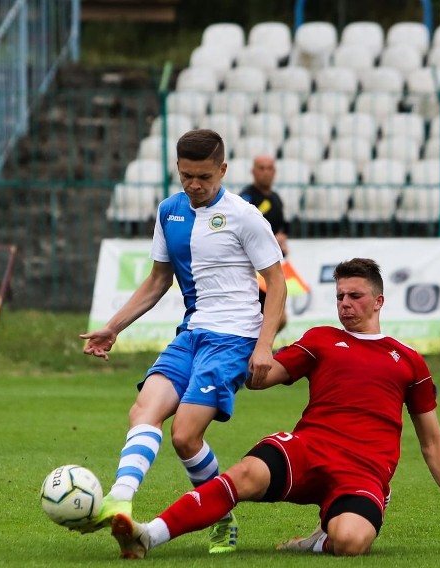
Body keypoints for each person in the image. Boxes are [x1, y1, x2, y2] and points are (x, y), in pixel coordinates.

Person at [109, 258, 440, 559]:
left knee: (351, 542)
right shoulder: (321, 340)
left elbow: (433, 441)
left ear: (379, 300)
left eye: (355, 296)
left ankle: (319, 539)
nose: (345, 304)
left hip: (364, 469)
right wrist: (260, 336)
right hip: (309, 448)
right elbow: (260, 377)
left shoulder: (408, 360)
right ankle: (148, 534)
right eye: (339, 297)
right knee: (245, 473)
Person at [79, 129, 287, 554]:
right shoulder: (169, 211)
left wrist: (263, 346)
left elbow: (278, 285)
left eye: (204, 177)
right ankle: (120, 498)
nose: (194, 184)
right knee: (144, 409)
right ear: (178, 169)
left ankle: (219, 514)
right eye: (187, 175)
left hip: (233, 339)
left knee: (184, 435)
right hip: (192, 333)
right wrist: (114, 327)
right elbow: (158, 279)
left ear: (223, 171)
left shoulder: (245, 216)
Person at [239, 154, 289, 332]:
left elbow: (280, 229)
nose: (266, 173)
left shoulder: (275, 198)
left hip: (271, 266)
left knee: (278, 318)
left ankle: (258, 351)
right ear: (253, 171)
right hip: (253, 270)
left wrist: (282, 242)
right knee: (274, 317)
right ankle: (259, 351)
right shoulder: (247, 198)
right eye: (261, 168)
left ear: (275, 172)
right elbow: (240, 230)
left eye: (269, 168)